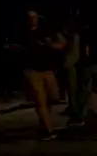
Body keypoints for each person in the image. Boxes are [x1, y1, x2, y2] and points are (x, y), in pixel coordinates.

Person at [9, 9, 66, 139]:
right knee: (40, 101)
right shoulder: (22, 34)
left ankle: (43, 123)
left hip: (48, 70)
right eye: (29, 18)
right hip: (32, 71)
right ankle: (48, 130)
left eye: (34, 17)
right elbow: (14, 47)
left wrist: (50, 44)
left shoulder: (45, 32)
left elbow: (60, 45)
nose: (32, 20)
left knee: (52, 98)